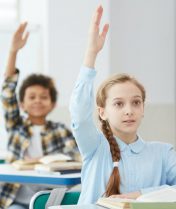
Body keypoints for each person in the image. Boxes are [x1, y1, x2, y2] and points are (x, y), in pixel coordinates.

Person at [69, 5, 176, 204]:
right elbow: (79, 114)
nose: (129, 110)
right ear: (102, 112)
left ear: (143, 108)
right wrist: (90, 54)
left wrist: (141, 194)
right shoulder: (95, 147)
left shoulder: (163, 153)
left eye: (136, 102)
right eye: (118, 104)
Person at [0, 22, 79, 209]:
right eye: (32, 97)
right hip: (16, 199)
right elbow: (7, 92)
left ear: (52, 103)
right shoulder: (16, 126)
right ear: (22, 104)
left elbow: (74, 159)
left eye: (44, 97)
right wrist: (13, 52)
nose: (37, 101)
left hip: (50, 200)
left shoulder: (60, 130)